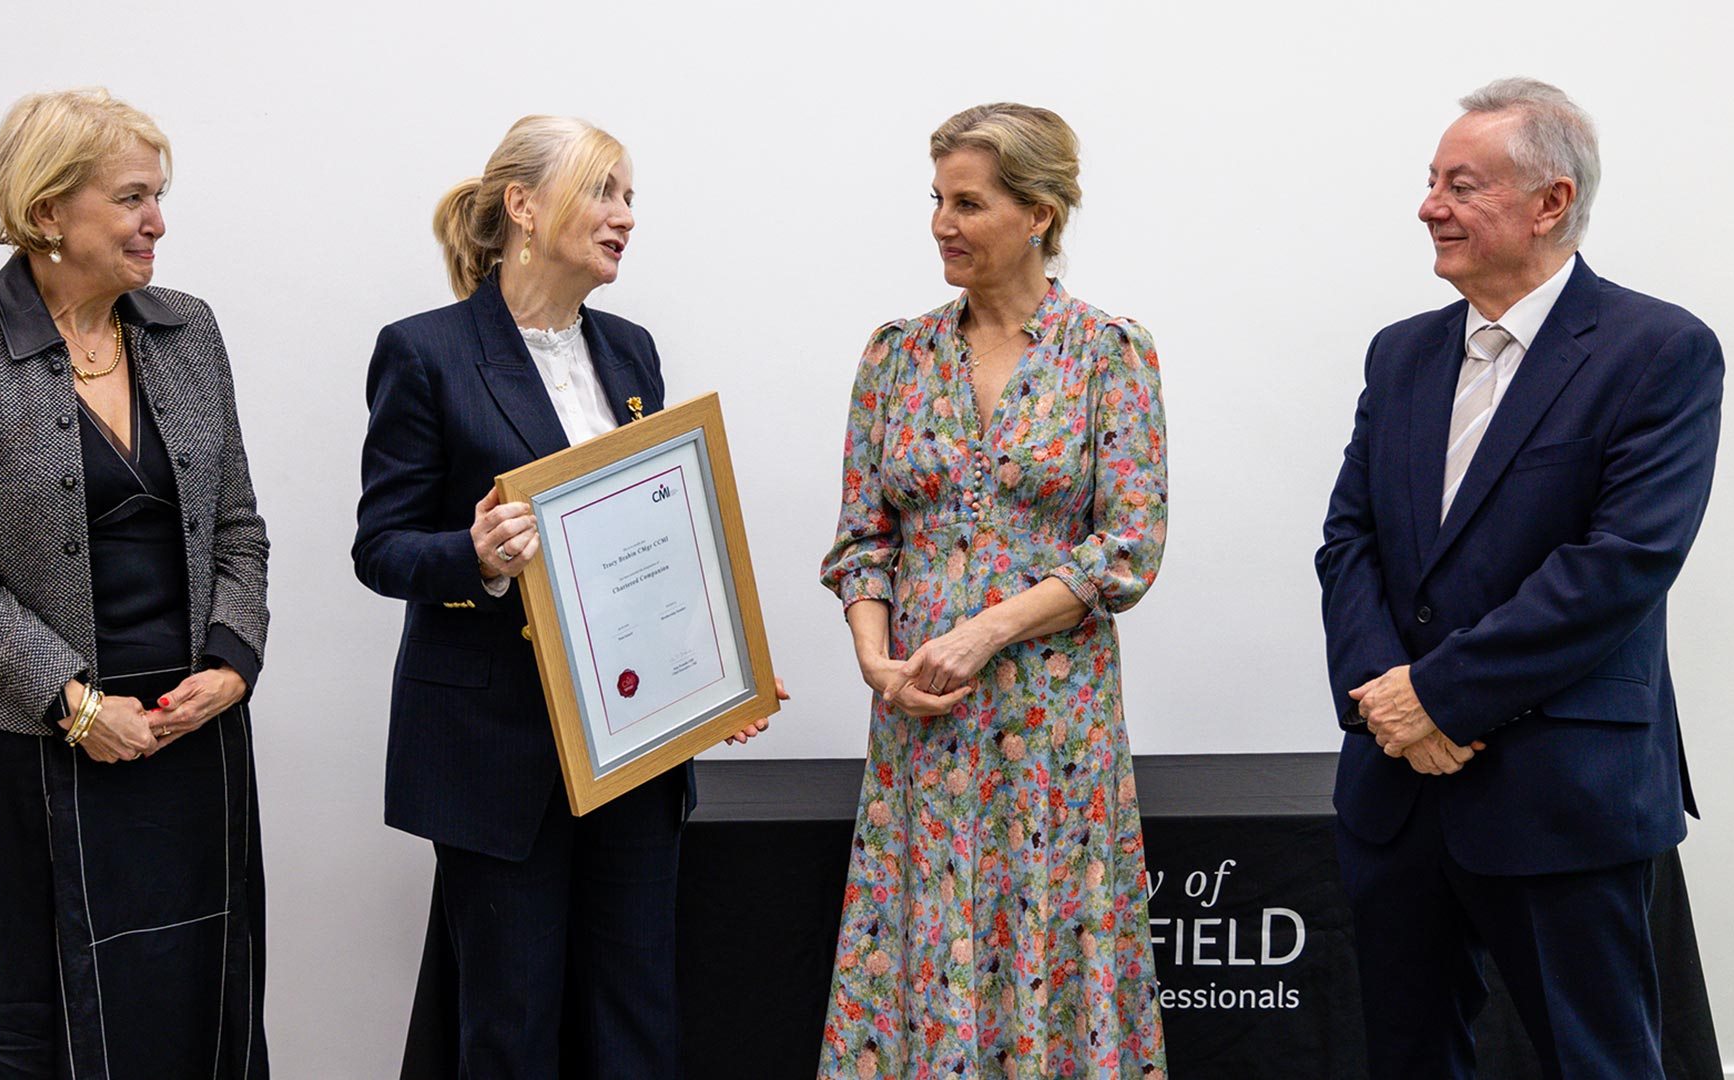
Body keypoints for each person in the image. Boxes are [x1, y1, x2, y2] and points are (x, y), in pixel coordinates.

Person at [1317, 77, 1723, 1079]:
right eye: (1430, 182)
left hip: (1562, 794)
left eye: (1462, 184)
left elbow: (1618, 566)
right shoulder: (1402, 353)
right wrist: (1388, 706)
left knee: (1600, 1062)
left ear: (1550, 201)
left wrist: (1439, 696)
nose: (1430, 206)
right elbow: (1350, 540)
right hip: (1397, 788)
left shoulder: (1659, 350)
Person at [353, 115, 773, 1080]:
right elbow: (381, 547)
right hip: (495, 752)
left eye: (631, 197)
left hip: (635, 745)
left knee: (634, 1014)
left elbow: (662, 543)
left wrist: (719, 669)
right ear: (524, 206)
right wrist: (477, 554)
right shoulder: (424, 352)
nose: (626, 216)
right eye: (605, 190)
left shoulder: (631, 352)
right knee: (510, 1023)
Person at [0, 88, 271, 1078]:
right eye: (133, 197)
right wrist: (73, 703)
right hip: (44, 735)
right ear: (50, 210)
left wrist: (232, 665)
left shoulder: (189, 329)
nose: (158, 222)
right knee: (55, 1008)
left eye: (161, 196)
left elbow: (238, 525)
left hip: (194, 726)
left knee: (207, 997)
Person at [818, 102, 1169, 1079]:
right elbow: (861, 543)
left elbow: (1129, 550)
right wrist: (876, 662)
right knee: (920, 954)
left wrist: (987, 632)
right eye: (937, 199)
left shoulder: (1110, 355)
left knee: (1057, 966)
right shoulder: (896, 357)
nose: (943, 222)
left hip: (1055, 730)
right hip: (923, 727)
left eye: (968, 202)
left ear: (1041, 213)